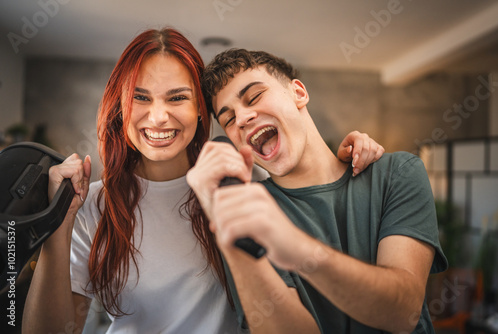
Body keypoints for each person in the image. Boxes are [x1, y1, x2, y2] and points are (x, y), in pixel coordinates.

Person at [22, 28, 383, 333]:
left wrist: (351, 152)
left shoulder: (244, 181)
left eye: (177, 97)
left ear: (200, 109)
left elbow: (312, 181)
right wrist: (58, 225)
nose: (158, 117)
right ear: (120, 107)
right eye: (141, 98)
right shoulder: (92, 205)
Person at [186, 49, 448, 334]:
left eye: (254, 97)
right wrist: (231, 237)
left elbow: (402, 313)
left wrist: (294, 247)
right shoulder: (249, 211)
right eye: (228, 119)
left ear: (298, 93)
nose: (242, 118)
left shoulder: (397, 173)